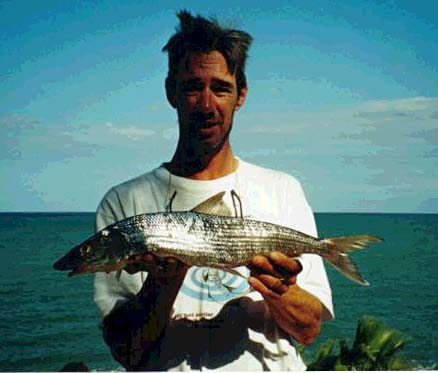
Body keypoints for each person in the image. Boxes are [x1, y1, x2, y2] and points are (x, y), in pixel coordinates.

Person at [93, 11, 333, 371]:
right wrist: (163, 280)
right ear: (170, 92)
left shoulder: (283, 190)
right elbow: (126, 351)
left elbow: (308, 329)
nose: (206, 105)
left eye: (221, 88)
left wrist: (278, 289)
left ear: (241, 96)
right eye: (192, 87)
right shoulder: (124, 203)